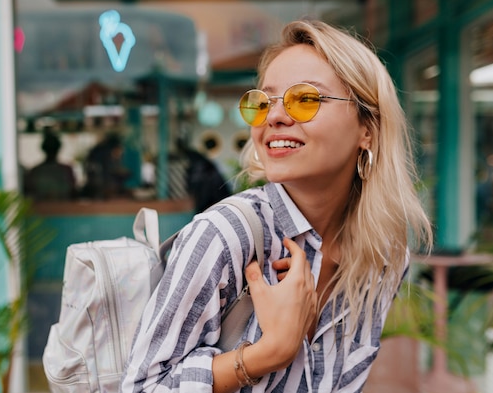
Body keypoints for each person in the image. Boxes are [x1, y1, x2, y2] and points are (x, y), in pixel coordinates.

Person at [121, 19, 433, 393]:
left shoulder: (385, 252)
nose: (275, 116)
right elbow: (141, 387)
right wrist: (268, 353)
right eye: (263, 102)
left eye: (305, 99)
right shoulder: (225, 236)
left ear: (368, 128)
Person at [23, 129, 77, 200]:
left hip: (64, 208)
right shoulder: (67, 170)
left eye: (53, 149)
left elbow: (73, 193)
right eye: (50, 149)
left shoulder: (35, 171)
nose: (51, 152)